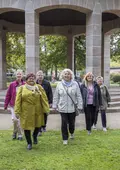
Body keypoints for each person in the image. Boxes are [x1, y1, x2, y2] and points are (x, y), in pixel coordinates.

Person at [14, 73, 49, 150]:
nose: (31, 79)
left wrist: (46, 109)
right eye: (29, 77)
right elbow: (18, 101)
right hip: (26, 111)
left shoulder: (39, 87)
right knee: (26, 127)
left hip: (38, 110)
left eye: (33, 77)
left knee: (38, 125)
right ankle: (29, 143)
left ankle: (34, 136)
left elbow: (44, 98)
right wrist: (17, 111)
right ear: (26, 79)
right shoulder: (22, 88)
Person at [52, 69, 83, 145]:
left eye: (68, 74)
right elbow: (56, 95)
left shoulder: (75, 84)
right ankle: (65, 138)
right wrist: (55, 105)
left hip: (72, 108)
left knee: (72, 123)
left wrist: (80, 105)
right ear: (62, 75)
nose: (66, 75)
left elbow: (79, 95)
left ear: (71, 75)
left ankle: (72, 132)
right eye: (65, 74)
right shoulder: (59, 84)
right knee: (64, 123)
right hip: (62, 107)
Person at [4, 69, 25, 140]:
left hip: (21, 106)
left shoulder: (24, 85)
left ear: (22, 75)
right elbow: (8, 95)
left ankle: (17, 134)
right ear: (16, 75)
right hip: (13, 105)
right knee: (15, 120)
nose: (19, 75)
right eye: (17, 74)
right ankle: (18, 134)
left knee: (19, 120)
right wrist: (6, 105)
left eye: (20, 74)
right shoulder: (12, 84)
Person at [36, 70, 53, 135]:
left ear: (43, 76)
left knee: (45, 114)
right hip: (37, 102)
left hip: (45, 102)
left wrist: (50, 102)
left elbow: (50, 93)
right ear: (37, 76)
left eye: (41, 75)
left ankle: (44, 126)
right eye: (39, 75)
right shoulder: (35, 83)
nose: (40, 76)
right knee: (38, 115)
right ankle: (39, 128)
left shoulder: (47, 83)